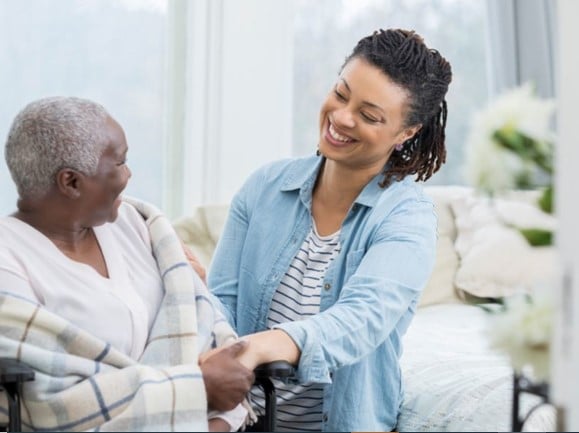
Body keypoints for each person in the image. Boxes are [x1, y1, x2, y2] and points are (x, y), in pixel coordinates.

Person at [207, 28, 453, 432]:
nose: (341, 118)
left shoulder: (406, 218)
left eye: (370, 116)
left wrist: (262, 345)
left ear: (406, 133)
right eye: (341, 94)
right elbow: (221, 304)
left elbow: (361, 319)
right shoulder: (265, 187)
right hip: (242, 422)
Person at [0, 96, 255, 432]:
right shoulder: (8, 259)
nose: (129, 174)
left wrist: (214, 420)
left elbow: (214, 339)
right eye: (119, 163)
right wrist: (199, 388)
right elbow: (48, 403)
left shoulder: (138, 224)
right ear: (71, 182)